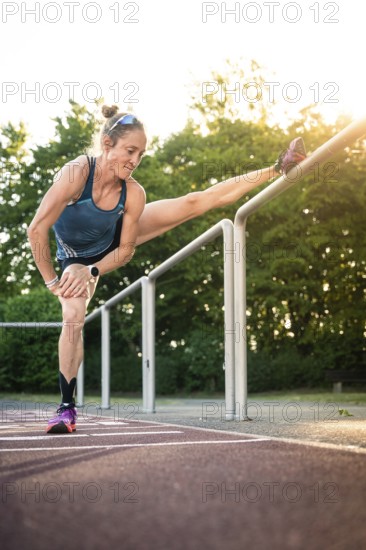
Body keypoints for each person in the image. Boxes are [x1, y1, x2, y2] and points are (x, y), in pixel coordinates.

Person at [27, 105, 306, 433]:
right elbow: (36, 229)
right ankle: (66, 408)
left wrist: (93, 272)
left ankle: (278, 165)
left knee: (193, 202)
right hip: (73, 257)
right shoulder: (76, 174)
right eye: (130, 151)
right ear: (106, 144)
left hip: (109, 248)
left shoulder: (133, 193)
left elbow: (126, 251)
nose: (135, 161)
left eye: (141, 154)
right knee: (73, 317)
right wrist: (53, 282)